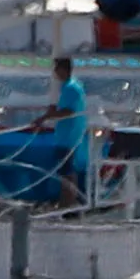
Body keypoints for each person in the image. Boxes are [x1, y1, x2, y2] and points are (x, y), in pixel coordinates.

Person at [31, 57, 88, 208]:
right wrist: (51, 111)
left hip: (68, 137)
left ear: (63, 70)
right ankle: (67, 203)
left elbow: (69, 111)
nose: (55, 72)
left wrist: (46, 117)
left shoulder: (71, 88)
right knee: (66, 171)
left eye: (56, 69)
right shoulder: (70, 87)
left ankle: (67, 204)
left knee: (67, 172)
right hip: (67, 135)